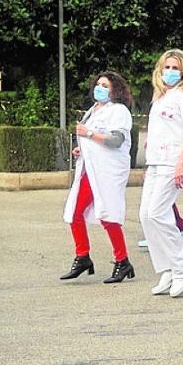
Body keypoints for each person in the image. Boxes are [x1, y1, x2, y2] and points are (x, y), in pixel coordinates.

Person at [61, 71, 135, 283]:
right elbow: (92, 139)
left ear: (115, 90)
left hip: (108, 171)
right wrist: (81, 149)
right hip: (91, 168)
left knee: (107, 214)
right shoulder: (93, 110)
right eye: (98, 84)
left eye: (105, 85)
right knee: (75, 212)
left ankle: (122, 261)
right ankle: (82, 256)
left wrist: (89, 135)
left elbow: (116, 140)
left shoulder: (119, 111)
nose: (100, 88)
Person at [140, 49, 183, 298]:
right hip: (156, 163)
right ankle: (165, 268)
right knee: (145, 216)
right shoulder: (161, 96)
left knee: (158, 212)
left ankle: (181, 266)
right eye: (167, 67)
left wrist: (180, 163)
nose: (171, 72)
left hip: (174, 162)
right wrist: (149, 160)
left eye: (176, 68)